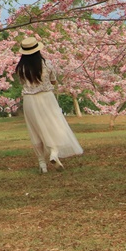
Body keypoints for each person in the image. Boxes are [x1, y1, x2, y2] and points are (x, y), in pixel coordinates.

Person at [16, 37, 83, 173]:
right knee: (54, 125)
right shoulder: (47, 64)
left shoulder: (20, 68)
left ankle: (42, 164)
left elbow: (23, 83)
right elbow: (53, 81)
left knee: (34, 130)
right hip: (46, 98)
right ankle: (53, 152)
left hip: (29, 100)